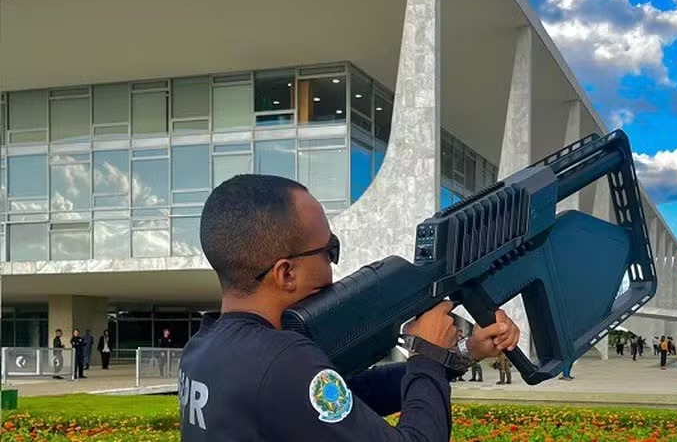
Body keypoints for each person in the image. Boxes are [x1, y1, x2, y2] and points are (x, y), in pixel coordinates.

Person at [178, 174, 521, 441]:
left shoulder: (205, 350)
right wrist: (426, 354)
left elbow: (350, 400)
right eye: (330, 250)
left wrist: (462, 352)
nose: (333, 267)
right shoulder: (281, 359)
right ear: (286, 273)